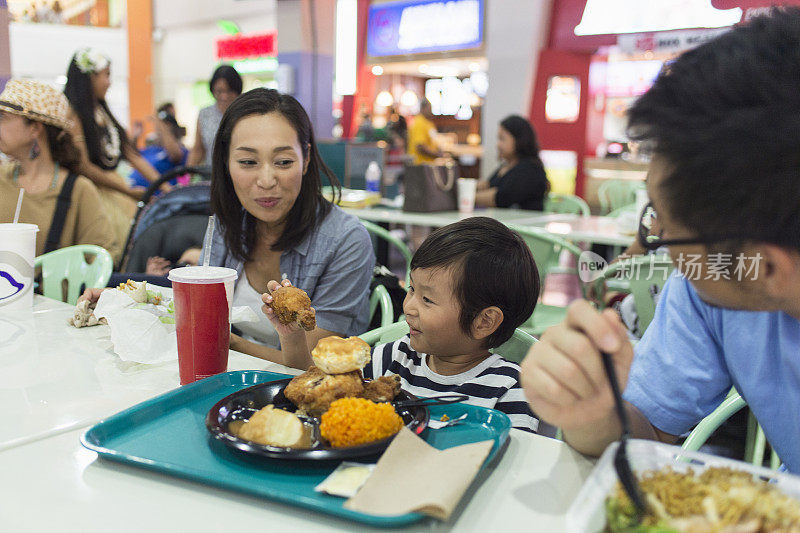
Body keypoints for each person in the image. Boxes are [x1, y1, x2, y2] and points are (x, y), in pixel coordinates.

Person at [519, 8, 800, 473]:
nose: (658, 245)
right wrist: (591, 410)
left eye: (665, 229)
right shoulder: (708, 291)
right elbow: (644, 435)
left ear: (764, 266)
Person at [264, 217, 541, 433]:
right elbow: (314, 395)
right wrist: (292, 337)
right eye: (411, 289)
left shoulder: (510, 388)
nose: (408, 306)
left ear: (484, 321)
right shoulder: (391, 357)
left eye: (428, 299)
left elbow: (510, 466)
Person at [204, 88, 374, 366]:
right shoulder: (227, 222)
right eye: (248, 162)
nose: (267, 180)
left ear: (306, 159)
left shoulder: (346, 240)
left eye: (283, 162)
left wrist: (225, 340)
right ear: (226, 162)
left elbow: (312, 362)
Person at [64, 47, 161, 264]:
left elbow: (132, 155)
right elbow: (84, 167)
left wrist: (165, 187)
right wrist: (127, 191)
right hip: (92, 194)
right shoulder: (72, 114)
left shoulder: (102, 111)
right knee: (108, 255)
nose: (109, 82)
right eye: (106, 74)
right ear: (90, 76)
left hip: (116, 191)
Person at [0, 79, 117, 258]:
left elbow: (103, 257)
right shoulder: (2, 178)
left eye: (3, 117)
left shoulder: (78, 190)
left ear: (34, 128)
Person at [475, 115, 549, 211]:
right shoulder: (506, 166)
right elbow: (487, 186)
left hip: (524, 224)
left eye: (502, 139)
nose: (498, 144)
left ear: (519, 140)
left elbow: (499, 198)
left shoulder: (531, 169)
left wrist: (467, 196)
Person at [187, 65, 242, 169]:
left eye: (229, 91)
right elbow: (198, 150)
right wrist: (186, 177)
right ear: (212, 90)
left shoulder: (245, 112)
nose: (224, 96)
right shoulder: (205, 114)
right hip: (212, 175)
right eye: (219, 91)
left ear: (238, 90)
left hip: (241, 174)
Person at [128, 103, 188, 189]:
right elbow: (132, 156)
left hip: (157, 197)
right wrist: (135, 137)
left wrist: (159, 123)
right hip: (133, 191)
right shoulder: (151, 149)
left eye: (166, 124)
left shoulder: (180, 150)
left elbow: (175, 155)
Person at [407, 99, 443, 164]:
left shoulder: (428, 122)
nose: (431, 111)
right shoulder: (419, 123)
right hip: (420, 164)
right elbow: (420, 147)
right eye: (429, 108)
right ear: (423, 108)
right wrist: (437, 155)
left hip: (429, 164)